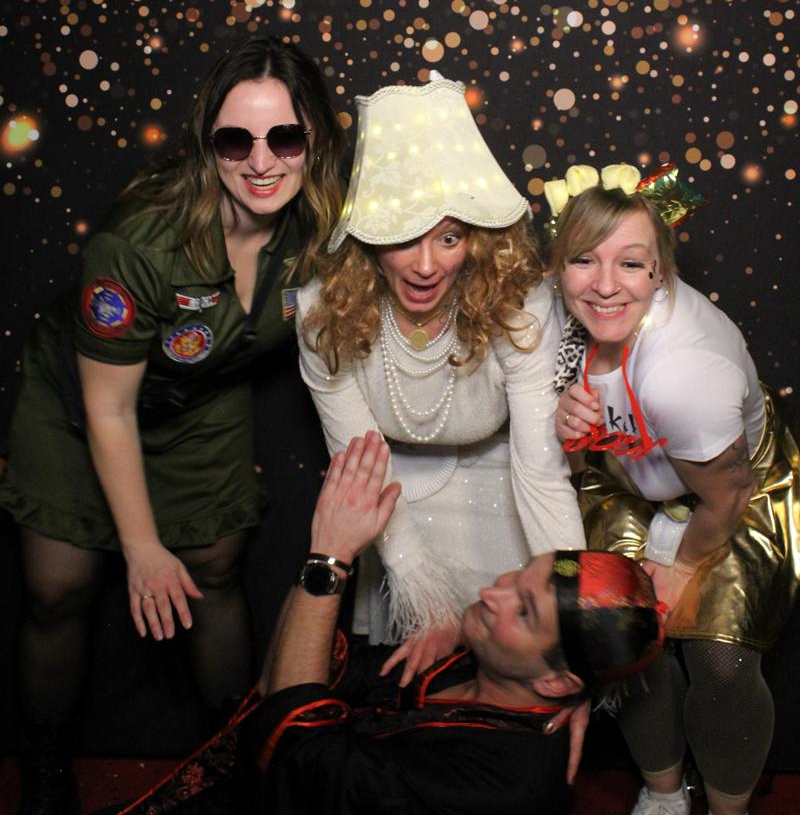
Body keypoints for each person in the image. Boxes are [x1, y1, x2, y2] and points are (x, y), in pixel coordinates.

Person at [0, 34, 345, 815]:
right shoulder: (140, 241)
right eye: (236, 140)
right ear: (207, 143)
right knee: (59, 587)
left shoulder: (321, 220)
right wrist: (141, 546)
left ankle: (238, 758)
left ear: (315, 139)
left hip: (201, 393)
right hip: (81, 403)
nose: (262, 162)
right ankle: (44, 767)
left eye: (285, 137)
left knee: (214, 569)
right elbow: (108, 407)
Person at [95, 432, 664, 815]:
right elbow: (279, 685)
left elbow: (292, 739)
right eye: (517, 575)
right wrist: (325, 553)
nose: (492, 594)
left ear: (558, 683)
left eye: (524, 611)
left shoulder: (502, 784)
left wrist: (330, 558)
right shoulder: (462, 663)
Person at [297, 75, 586, 683]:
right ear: (368, 238)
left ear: (477, 240)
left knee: (520, 667)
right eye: (404, 237)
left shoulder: (520, 310)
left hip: (505, 491)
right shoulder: (322, 312)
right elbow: (362, 470)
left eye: (449, 238)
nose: (426, 266)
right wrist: (422, 592)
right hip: (393, 502)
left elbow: (541, 475)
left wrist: (573, 629)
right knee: (412, 681)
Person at [546, 163, 800, 815]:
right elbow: (574, 462)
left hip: (731, 489)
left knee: (720, 662)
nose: (605, 285)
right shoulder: (555, 316)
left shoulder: (684, 375)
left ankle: (728, 807)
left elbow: (728, 495)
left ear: (661, 270)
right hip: (631, 478)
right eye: (583, 259)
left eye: (630, 264)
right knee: (626, 640)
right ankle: (662, 794)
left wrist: (677, 565)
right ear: (557, 265)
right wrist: (568, 432)